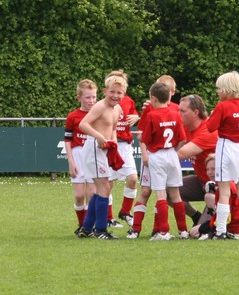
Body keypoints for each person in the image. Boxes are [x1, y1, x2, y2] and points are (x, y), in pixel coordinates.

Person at [127, 81, 189, 240]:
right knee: (175, 195)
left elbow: (145, 139)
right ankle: (183, 231)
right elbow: (182, 139)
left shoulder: (152, 115)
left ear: (153, 98)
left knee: (161, 194)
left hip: (157, 155)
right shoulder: (175, 114)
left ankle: (163, 231)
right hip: (172, 154)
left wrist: (143, 140)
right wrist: (174, 152)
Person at [205, 70, 239, 240]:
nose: (217, 92)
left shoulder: (222, 106)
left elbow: (210, 127)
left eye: (219, 89)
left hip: (226, 147)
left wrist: (213, 115)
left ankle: (220, 230)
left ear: (227, 90)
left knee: (224, 191)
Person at [77, 73, 127, 240]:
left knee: (104, 188)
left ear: (124, 94)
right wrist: (98, 136)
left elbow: (113, 128)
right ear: (105, 91)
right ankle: (100, 230)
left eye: (119, 93)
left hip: (105, 149)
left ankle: (86, 228)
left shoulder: (117, 109)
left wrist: (113, 143)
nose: (115, 95)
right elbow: (83, 124)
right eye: (112, 92)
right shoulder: (100, 106)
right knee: (104, 186)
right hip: (94, 147)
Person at [175, 94, 218, 224]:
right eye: (178, 110)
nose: (178, 114)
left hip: (218, 187)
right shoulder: (185, 127)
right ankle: (196, 217)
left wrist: (154, 159)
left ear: (195, 112)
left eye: (182, 111)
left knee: (201, 232)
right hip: (202, 181)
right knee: (168, 190)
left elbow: (180, 154)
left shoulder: (207, 131)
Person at [64, 79, 98, 236]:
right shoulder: (72, 116)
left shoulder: (98, 114)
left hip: (93, 155)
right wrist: (71, 161)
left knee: (91, 194)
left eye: (94, 97)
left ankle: (88, 227)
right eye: (87, 97)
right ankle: (81, 224)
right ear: (79, 98)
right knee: (79, 195)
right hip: (78, 155)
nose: (91, 100)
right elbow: (67, 140)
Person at [108, 70, 141, 227]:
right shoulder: (104, 103)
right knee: (108, 182)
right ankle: (108, 217)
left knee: (133, 178)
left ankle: (125, 212)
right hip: (109, 145)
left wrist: (137, 116)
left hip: (125, 145)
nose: (116, 93)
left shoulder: (129, 101)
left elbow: (134, 115)